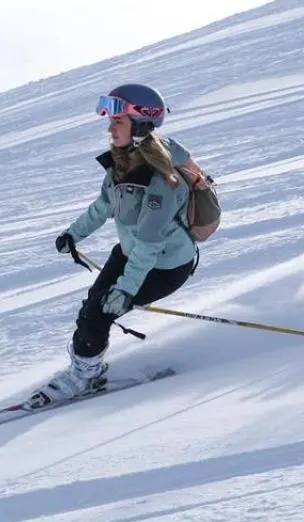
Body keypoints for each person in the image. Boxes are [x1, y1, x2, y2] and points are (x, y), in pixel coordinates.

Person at [43, 83, 201, 400]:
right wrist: (74, 233)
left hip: (164, 265)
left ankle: (84, 377)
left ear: (141, 126)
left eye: (118, 121)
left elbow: (149, 243)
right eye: (111, 121)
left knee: (100, 312)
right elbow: (103, 205)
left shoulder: (161, 180)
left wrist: (126, 290)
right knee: (92, 307)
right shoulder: (122, 162)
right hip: (131, 252)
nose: (110, 128)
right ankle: (90, 369)